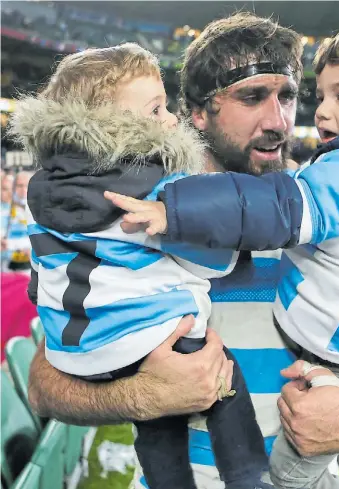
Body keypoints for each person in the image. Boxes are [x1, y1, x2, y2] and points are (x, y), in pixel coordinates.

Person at [23, 13, 339, 489]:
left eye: (288, 97)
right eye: (253, 97)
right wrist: (143, 395)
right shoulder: (139, 212)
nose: (279, 119)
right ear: (198, 113)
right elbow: (45, 386)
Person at [9, 43, 270, 489]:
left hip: (81, 347)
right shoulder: (155, 189)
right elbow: (215, 262)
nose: (170, 121)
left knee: (160, 434)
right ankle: (248, 474)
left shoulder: (45, 193)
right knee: (225, 383)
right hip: (155, 338)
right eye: (157, 109)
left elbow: (41, 278)